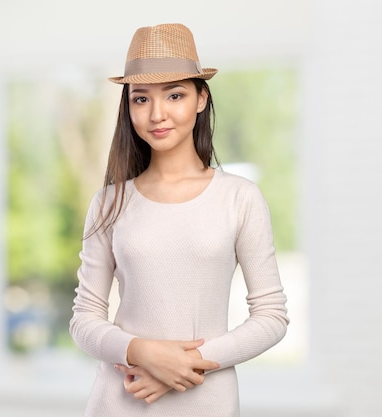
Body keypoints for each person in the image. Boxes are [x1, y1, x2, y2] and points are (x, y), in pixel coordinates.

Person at [69, 23, 289, 417]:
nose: (157, 114)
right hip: (120, 399)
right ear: (128, 106)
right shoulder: (109, 202)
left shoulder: (239, 198)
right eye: (140, 99)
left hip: (207, 402)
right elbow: (84, 321)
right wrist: (142, 352)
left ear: (201, 98)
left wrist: (184, 363)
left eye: (175, 94)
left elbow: (272, 317)